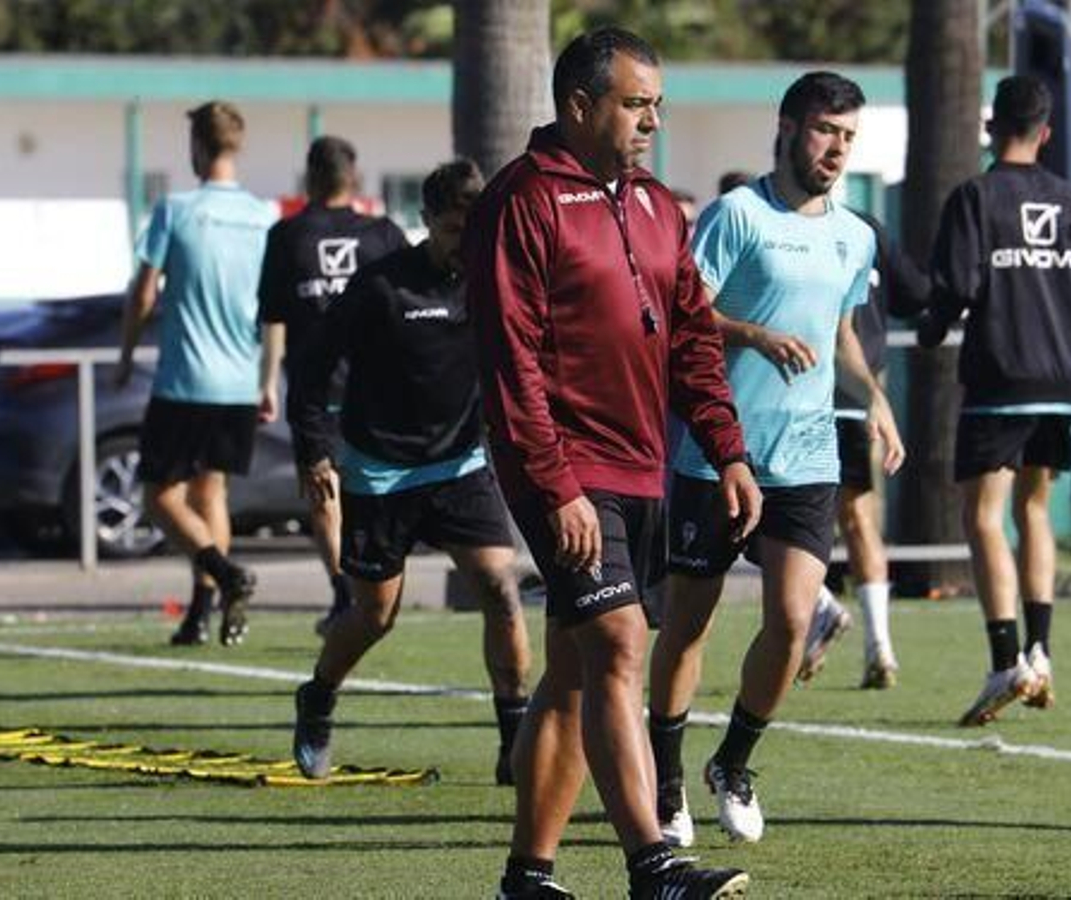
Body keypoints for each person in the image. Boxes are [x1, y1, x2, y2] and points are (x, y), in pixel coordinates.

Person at [468, 27, 762, 900]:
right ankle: (655, 867)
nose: (651, 122)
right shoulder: (520, 201)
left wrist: (728, 451)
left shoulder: (658, 204)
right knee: (621, 643)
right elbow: (509, 356)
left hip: (644, 467)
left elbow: (694, 343)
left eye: (657, 106)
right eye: (636, 105)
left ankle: (528, 877)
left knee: (573, 670)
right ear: (580, 106)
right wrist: (555, 484)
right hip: (562, 464)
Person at [647, 72, 905, 848]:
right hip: (714, 455)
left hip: (808, 454)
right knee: (688, 625)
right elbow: (681, 318)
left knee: (794, 621)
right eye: (826, 131)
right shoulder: (736, 215)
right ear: (790, 127)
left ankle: (733, 763)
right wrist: (754, 335)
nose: (836, 149)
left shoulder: (856, 234)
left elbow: (841, 332)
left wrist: (877, 399)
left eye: (849, 137)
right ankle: (664, 780)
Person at [288, 159, 533, 785]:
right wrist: (316, 451)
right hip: (380, 475)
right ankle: (317, 698)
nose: (465, 243)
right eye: (453, 230)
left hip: (460, 467)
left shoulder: (494, 280)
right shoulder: (380, 287)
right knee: (375, 617)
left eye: (474, 230)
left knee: (501, 592)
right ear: (425, 223)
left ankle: (515, 747)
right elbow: (312, 372)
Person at [918, 75, 1071, 726]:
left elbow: (954, 284)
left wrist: (929, 326)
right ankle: (1041, 652)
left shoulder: (976, 198)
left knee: (983, 517)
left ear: (990, 127)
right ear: (1048, 132)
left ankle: (1007, 657)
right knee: (1035, 509)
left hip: (1001, 375)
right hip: (1061, 382)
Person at [118, 100, 277, 647]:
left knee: (158, 497)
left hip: (186, 378)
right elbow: (272, 304)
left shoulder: (176, 210)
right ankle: (204, 610)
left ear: (198, 148)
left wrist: (125, 352)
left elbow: (143, 291)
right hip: (239, 379)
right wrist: (267, 377)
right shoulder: (263, 216)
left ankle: (227, 574)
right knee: (213, 494)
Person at [257, 136, 408, 634]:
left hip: (314, 389)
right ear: (355, 176)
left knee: (323, 491)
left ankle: (345, 588)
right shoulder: (382, 234)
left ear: (312, 178)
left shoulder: (287, 235)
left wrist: (268, 382)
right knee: (371, 486)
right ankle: (367, 588)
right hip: (378, 387)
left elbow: (273, 317)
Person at [799, 207, 931, 690]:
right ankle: (881, 647)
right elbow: (916, 294)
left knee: (783, 523)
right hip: (858, 399)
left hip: (803, 395)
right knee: (858, 520)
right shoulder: (870, 226)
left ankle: (822, 609)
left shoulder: (796, 225)